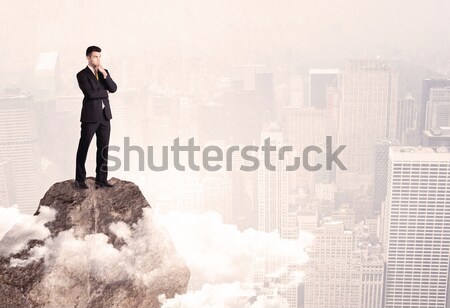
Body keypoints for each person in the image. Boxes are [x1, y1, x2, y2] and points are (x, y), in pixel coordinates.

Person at [75, 45, 117, 189]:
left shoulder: (104, 72)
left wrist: (105, 74)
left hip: (105, 116)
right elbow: (90, 94)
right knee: (84, 147)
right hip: (90, 117)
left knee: (104, 148)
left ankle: (101, 179)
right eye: (95, 56)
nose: (97, 59)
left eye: (99, 56)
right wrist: (104, 93)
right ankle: (80, 179)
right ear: (88, 57)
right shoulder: (82, 75)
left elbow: (113, 88)